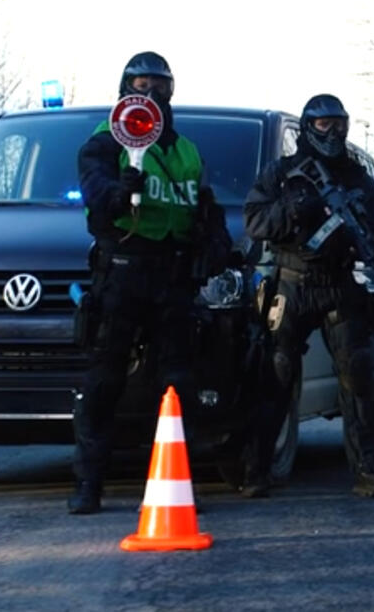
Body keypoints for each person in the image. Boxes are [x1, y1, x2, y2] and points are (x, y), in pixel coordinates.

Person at [69, 51, 234, 514]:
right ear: (125, 89)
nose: (150, 94)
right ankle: (88, 484)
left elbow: (205, 207)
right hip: (122, 268)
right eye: (140, 85)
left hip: (173, 275)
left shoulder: (186, 152)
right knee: (104, 381)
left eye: (159, 86)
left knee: (178, 380)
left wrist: (215, 243)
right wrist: (118, 192)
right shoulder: (103, 142)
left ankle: (175, 477)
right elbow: (96, 198)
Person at [243, 94, 374, 499]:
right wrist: (293, 210)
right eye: (324, 124)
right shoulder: (281, 173)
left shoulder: (357, 177)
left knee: (358, 375)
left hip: (339, 282)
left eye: (340, 124)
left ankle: (369, 474)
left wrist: (351, 236)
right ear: (309, 127)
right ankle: (255, 471)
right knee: (275, 375)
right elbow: (255, 221)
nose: (333, 132)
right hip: (292, 281)